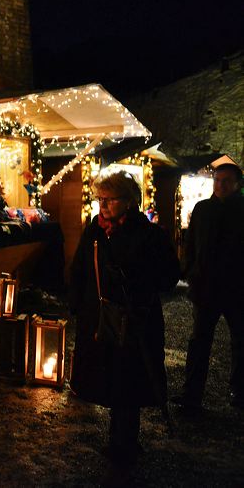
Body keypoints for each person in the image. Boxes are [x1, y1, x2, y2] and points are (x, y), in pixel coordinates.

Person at [68, 171, 179, 481]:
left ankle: (126, 442)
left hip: (134, 319)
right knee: (109, 374)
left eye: (109, 199)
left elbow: (168, 275)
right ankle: (118, 439)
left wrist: (137, 281)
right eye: (99, 199)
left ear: (129, 202)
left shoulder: (149, 235)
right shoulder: (95, 230)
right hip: (101, 315)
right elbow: (80, 268)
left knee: (129, 377)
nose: (102, 206)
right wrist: (77, 302)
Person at [174, 163, 244, 411]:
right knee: (199, 341)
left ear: (237, 184)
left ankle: (239, 392)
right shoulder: (203, 209)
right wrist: (190, 270)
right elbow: (190, 241)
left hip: (237, 288)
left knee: (240, 340)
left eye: (226, 181)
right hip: (206, 286)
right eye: (217, 180)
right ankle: (192, 394)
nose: (220, 185)